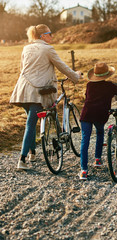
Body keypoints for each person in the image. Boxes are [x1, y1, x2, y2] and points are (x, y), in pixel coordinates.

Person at [10, 24, 82, 170]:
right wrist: (76, 76)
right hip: (38, 92)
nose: (52, 36)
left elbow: (22, 68)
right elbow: (61, 66)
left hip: (23, 90)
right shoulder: (48, 49)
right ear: (42, 36)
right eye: (50, 34)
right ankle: (22, 160)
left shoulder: (26, 48)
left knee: (31, 122)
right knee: (31, 124)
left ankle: (32, 152)